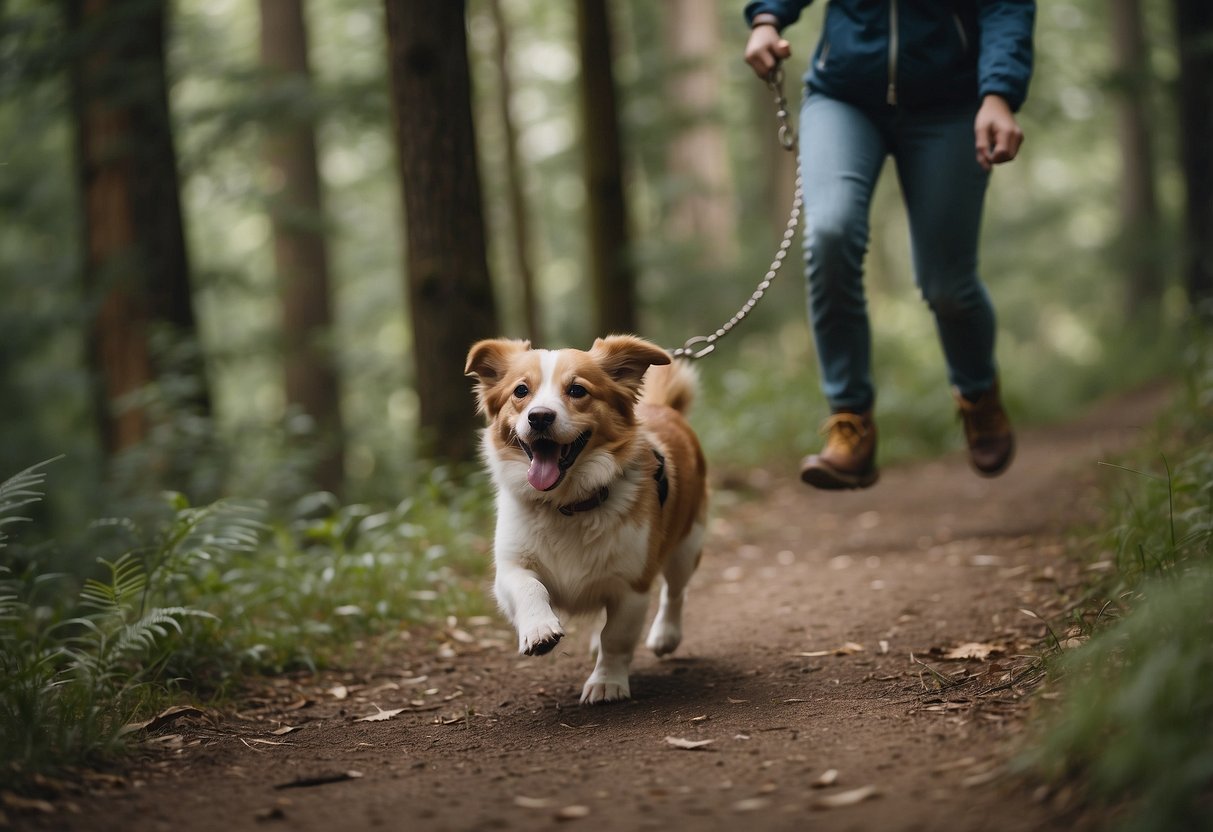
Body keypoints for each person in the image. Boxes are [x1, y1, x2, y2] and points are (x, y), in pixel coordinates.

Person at [742, 0, 1034, 489]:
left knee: (948, 284)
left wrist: (999, 92)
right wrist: (767, 19)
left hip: (952, 103)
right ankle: (850, 421)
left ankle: (978, 395)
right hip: (844, 96)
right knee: (831, 232)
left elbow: (1007, 7)